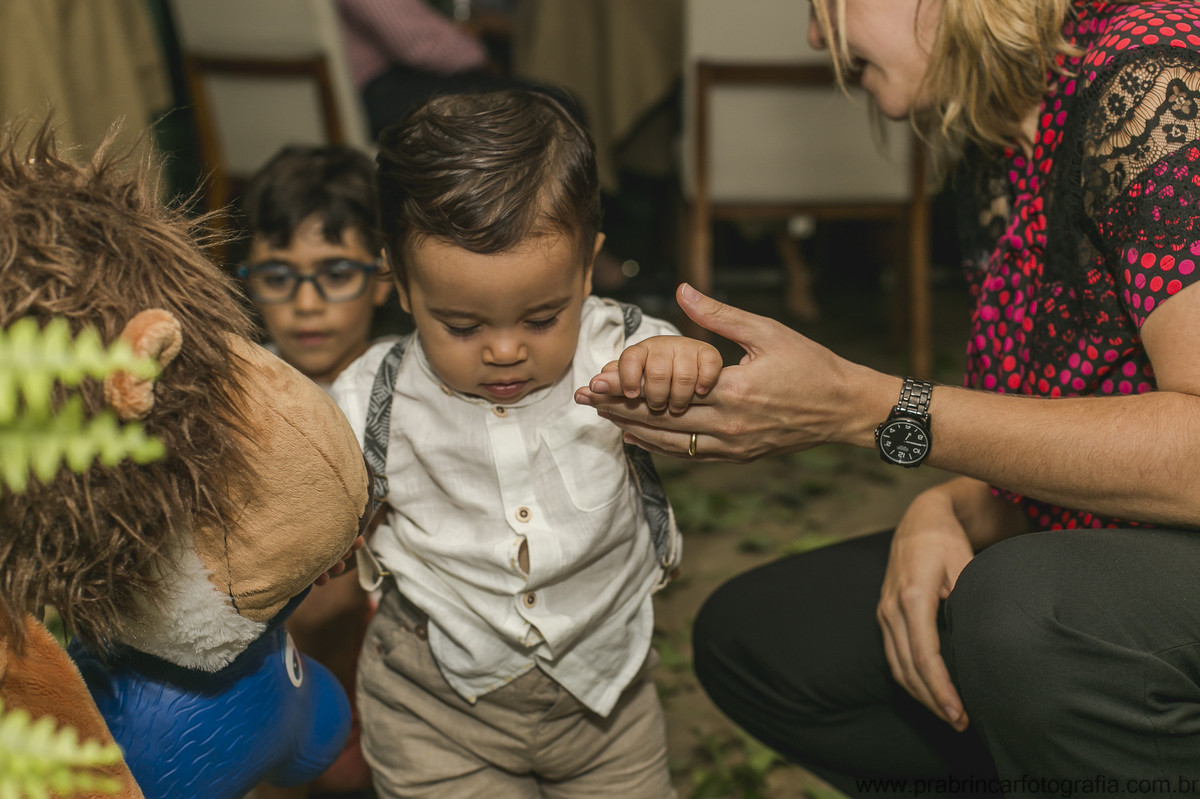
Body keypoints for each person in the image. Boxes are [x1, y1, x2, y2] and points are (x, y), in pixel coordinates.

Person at [573, 0, 1200, 796]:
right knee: (762, 637)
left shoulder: (1155, 81)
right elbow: (1084, 406)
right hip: (1112, 533)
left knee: (1022, 611)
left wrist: (867, 409)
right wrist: (947, 508)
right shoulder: (995, 136)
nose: (813, 35)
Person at [330, 87, 721, 798]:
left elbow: (678, 362)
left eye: (544, 316)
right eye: (463, 326)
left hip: (607, 692)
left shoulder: (617, 350)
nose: (505, 350)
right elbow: (302, 479)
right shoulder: (369, 394)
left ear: (587, 268)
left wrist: (682, 365)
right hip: (433, 698)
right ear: (401, 283)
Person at [239, 143, 394, 799]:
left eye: (334, 273)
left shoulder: (410, 379)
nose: (306, 302)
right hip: (280, 641)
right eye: (278, 276)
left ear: (383, 276)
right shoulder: (243, 383)